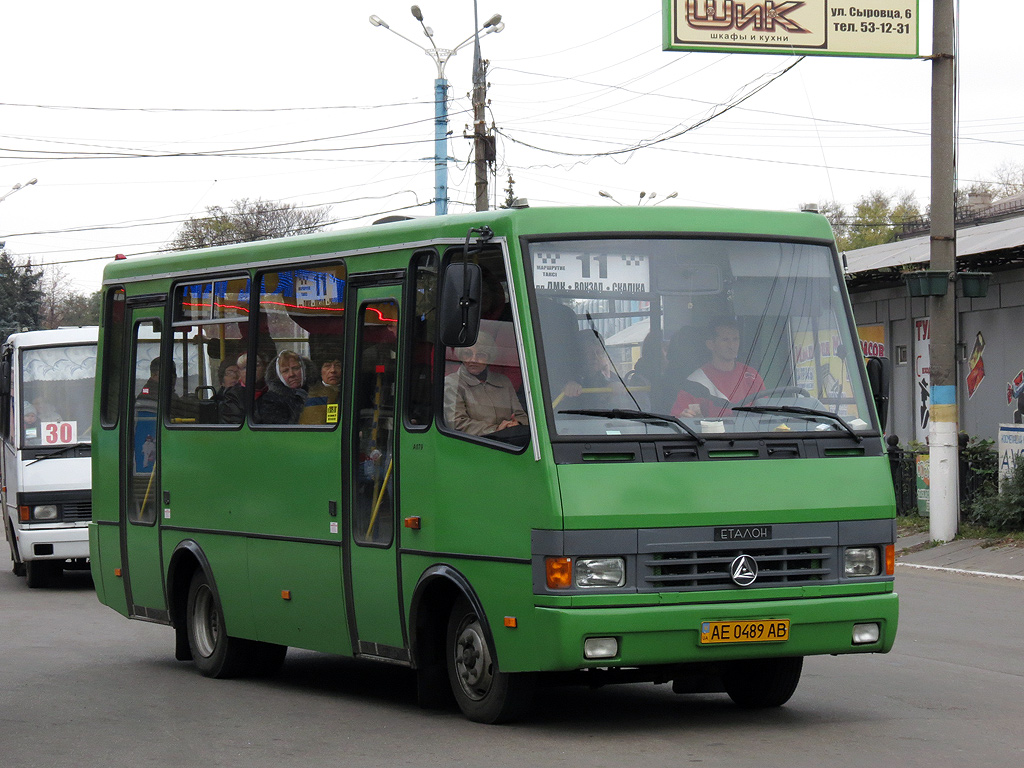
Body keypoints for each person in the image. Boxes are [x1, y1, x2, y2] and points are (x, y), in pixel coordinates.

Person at [670, 318, 764, 418]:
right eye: (725, 340)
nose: (732, 345)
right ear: (710, 344)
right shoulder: (696, 381)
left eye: (735, 339)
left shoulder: (751, 376)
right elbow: (678, 419)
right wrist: (684, 417)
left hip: (749, 433)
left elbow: (765, 413)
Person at [444, 331, 527, 437]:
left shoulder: (503, 381)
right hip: (474, 446)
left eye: (480, 355)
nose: (473, 359)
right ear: (461, 355)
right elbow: (456, 423)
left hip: (510, 443)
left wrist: (516, 423)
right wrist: (496, 429)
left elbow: (521, 415)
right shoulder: (451, 383)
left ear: (489, 358)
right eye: (467, 353)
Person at [254, 350, 315, 425]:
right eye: (285, 371)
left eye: (295, 368)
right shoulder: (269, 401)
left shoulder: (317, 392)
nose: (291, 374)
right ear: (279, 376)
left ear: (304, 370)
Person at [300, 358, 342, 425]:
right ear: (320, 371)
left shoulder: (353, 392)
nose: (333, 370)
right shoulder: (313, 395)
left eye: (337, 366)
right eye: (327, 366)